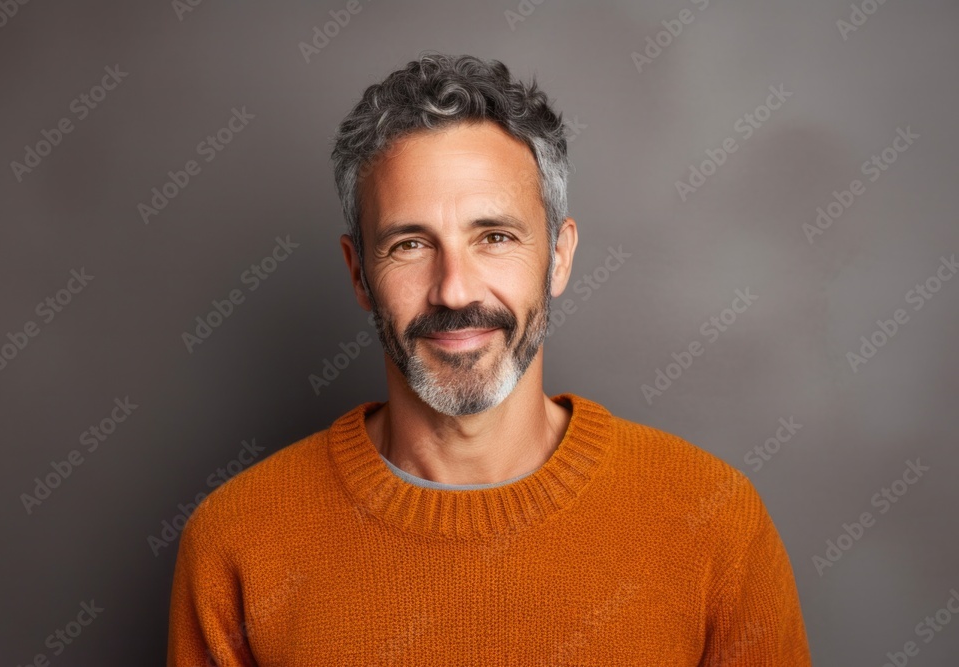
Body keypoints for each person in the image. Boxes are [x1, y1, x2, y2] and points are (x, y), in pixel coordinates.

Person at [167, 52, 812, 665]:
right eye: (411, 244)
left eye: (495, 237)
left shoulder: (714, 522)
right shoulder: (238, 540)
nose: (455, 289)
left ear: (558, 257)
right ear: (359, 273)